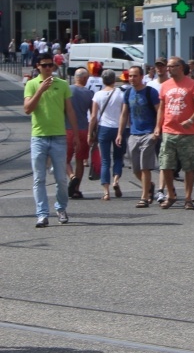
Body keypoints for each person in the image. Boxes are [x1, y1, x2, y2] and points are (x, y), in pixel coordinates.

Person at [24, 53, 81, 227]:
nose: (48, 68)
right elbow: (27, 109)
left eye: (51, 65)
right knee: (39, 178)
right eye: (45, 65)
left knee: (61, 179)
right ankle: (42, 214)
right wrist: (40, 90)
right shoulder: (32, 84)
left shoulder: (62, 84)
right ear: (38, 67)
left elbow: (69, 111)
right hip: (39, 137)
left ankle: (61, 207)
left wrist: (76, 135)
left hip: (58, 137)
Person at [155, 57, 194, 210]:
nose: (168, 69)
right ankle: (171, 195)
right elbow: (162, 108)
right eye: (168, 67)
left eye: (172, 66)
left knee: (189, 167)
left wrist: (191, 119)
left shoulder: (192, 84)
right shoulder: (165, 86)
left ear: (181, 67)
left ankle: (188, 198)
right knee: (165, 165)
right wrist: (158, 127)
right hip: (169, 131)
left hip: (188, 133)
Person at [116, 66, 160, 207]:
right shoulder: (128, 93)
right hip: (134, 133)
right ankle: (149, 186)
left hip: (148, 133)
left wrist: (157, 129)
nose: (132, 79)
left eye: (135, 76)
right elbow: (124, 114)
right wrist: (119, 133)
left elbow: (159, 111)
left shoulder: (150, 92)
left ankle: (144, 197)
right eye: (130, 76)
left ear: (142, 77)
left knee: (145, 167)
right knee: (135, 169)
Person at [87, 69, 126, 200]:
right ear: (114, 80)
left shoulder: (97, 95)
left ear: (103, 81)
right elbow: (123, 114)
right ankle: (116, 180)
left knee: (105, 160)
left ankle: (106, 191)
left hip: (103, 128)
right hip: (118, 128)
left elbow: (93, 117)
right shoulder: (120, 94)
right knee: (118, 157)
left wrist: (89, 133)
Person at [65, 68, 93, 199]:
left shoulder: (67, 90)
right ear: (84, 78)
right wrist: (93, 132)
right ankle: (76, 189)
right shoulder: (90, 93)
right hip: (83, 129)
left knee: (64, 159)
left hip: (67, 128)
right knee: (80, 160)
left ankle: (72, 176)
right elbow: (93, 114)